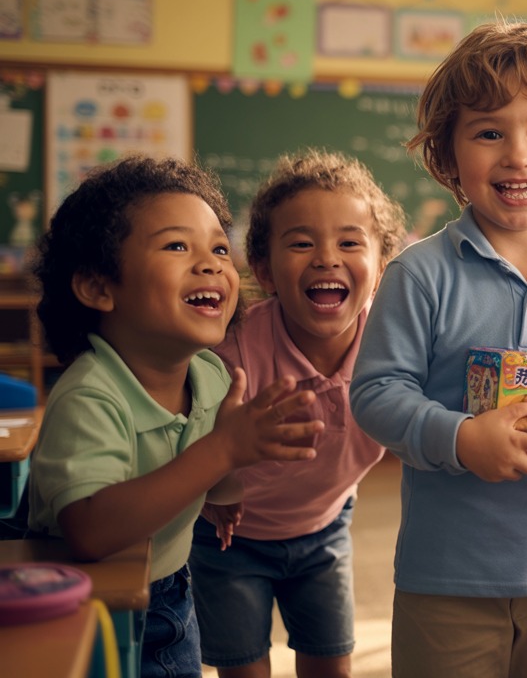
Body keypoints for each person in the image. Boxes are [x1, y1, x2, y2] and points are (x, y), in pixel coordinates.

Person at [349, 20, 527, 678]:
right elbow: (375, 393)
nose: (517, 155)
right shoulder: (419, 273)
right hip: (448, 573)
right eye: (489, 132)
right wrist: (461, 439)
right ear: (449, 156)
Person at [26, 155, 322, 678]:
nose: (210, 264)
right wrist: (223, 451)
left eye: (220, 249)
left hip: (169, 589)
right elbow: (89, 532)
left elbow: (205, 469)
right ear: (99, 287)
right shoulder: (91, 396)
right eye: (177, 246)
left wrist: (225, 487)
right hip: (82, 609)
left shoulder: (208, 374)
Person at [188, 149, 408, 678]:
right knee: (244, 667)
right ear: (263, 268)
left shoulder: (396, 346)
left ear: (381, 268)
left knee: (332, 663)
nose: (327, 258)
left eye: (350, 242)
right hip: (228, 542)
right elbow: (188, 434)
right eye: (302, 242)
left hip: (325, 528)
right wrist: (213, 487)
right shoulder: (233, 350)